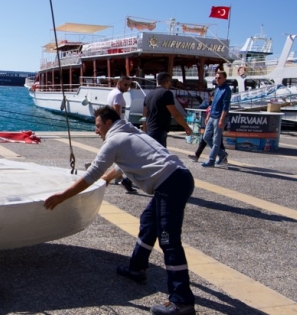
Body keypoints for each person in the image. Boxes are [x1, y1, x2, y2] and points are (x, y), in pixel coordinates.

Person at [44, 106, 196, 315]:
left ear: (108, 123)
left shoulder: (114, 140)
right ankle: (137, 267)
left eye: (98, 126)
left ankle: (182, 301)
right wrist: (107, 179)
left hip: (170, 183)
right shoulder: (130, 132)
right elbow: (123, 165)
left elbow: (92, 174)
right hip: (177, 178)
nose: (96, 131)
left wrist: (63, 196)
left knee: (169, 241)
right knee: (148, 222)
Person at [104, 75, 137, 193]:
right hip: (117, 127)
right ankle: (118, 177)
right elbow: (116, 111)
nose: (128, 87)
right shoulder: (118, 95)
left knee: (117, 152)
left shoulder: (113, 92)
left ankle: (117, 176)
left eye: (130, 85)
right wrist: (120, 126)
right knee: (124, 153)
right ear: (119, 83)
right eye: (126, 84)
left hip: (112, 126)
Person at [142, 72, 192, 147]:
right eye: (170, 81)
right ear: (167, 82)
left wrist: (144, 129)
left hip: (149, 130)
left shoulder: (149, 95)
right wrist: (186, 127)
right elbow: (175, 114)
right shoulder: (166, 93)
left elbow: (144, 115)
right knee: (160, 156)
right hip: (159, 131)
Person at [202, 70, 231, 167]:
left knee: (216, 140)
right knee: (206, 137)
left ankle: (211, 160)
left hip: (219, 117)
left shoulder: (227, 90)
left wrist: (222, 119)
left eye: (219, 78)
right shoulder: (218, 88)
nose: (217, 80)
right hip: (212, 115)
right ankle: (222, 154)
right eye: (216, 78)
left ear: (224, 79)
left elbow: (225, 106)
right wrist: (208, 115)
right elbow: (213, 104)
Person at [187, 91, 226, 163]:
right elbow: (202, 107)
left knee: (217, 141)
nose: (211, 97)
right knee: (204, 139)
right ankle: (197, 155)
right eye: (211, 96)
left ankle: (222, 155)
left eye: (213, 96)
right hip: (209, 125)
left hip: (216, 124)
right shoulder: (210, 104)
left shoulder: (220, 105)